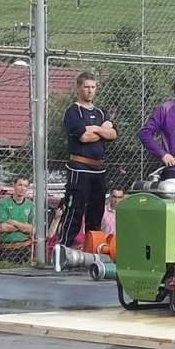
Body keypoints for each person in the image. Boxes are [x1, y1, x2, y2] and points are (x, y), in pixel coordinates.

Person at [57, 71, 118, 247]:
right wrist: (102, 131)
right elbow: (83, 137)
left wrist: (95, 128)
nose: (90, 91)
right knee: (74, 210)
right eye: (86, 87)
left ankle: (92, 249)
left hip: (98, 168)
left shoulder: (100, 112)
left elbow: (113, 134)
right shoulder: (73, 112)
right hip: (79, 166)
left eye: (93, 87)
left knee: (96, 211)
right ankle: (63, 248)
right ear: (78, 88)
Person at [0, 176, 36, 263]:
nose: (22, 188)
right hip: (7, 249)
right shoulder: (3, 203)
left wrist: (13, 222)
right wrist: (24, 226)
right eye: (20, 185)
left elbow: (33, 229)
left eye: (25, 186)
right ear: (14, 185)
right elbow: (3, 227)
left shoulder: (31, 205)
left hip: (25, 248)